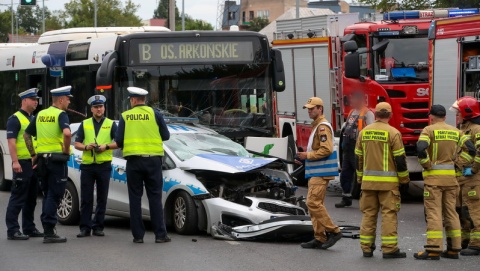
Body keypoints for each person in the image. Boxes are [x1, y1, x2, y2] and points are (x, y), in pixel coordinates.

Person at [414, 104, 475, 260]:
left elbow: (420, 149)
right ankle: (454, 248)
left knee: (434, 213)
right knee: (451, 213)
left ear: (431, 117)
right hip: (451, 179)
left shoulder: (428, 130)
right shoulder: (457, 132)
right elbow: (472, 150)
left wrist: (427, 165)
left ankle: (434, 248)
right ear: (445, 117)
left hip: (433, 179)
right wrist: (459, 163)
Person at [115, 87, 171, 243]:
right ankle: (160, 235)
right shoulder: (155, 114)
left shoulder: (125, 116)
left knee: (135, 198)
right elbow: (166, 136)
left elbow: (119, 141)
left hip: (133, 162)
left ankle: (138, 236)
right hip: (153, 161)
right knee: (155, 197)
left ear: (133, 100)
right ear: (144, 100)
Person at [355, 102, 409, 259]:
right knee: (389, 215)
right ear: (390, 115)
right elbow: (400, 160)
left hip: (368, 183)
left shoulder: (364, 133)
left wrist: (360, 177)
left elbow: (358, 158)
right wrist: (404, 179)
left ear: (376, 114)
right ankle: (389, 249)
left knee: (368, 214)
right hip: (388, 184)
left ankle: (366, 248)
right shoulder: (393, 133)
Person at [24, 86, 73, 244]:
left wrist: (33, 154)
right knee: (55, 194)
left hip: (42, 161)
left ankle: (47, 227)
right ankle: (49, 229)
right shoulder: (61, 114)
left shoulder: (40, 114)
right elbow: (67, 133)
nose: (69, 101)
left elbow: (26, 134)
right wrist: (66, 151)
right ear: (60, 100)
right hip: (56, 161)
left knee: (47, 194)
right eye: (67, 98)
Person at [297, 97, 342, 250]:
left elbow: (326, 149)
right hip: (315, 171)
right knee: (315, 204)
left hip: (320, 173)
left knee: (312, 203)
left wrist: (307, 156)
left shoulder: (322, 127)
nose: (309, 111)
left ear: (320, 109)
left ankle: (334, 231)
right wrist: (304, 159)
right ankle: (320, 237)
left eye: (312, 108)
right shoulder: (316, 125)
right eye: (308, 109)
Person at [74, 95, 118, 238]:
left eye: (101, 106)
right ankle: (85, 228)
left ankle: (98, 226)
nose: (99, 109)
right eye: (96, 107)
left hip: (104, 165)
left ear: (104, 108)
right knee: (86, 198)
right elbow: (77, 144)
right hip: (87, 166)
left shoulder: (111, 124)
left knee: (102, 197)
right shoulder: (85, 123)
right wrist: (87, 147)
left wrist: (106, 146)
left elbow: (118, 143)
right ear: (91, 109)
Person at [5, 88, 44, 240]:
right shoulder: (15, 119)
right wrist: (15, 161)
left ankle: (29, 227)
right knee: (18, 197)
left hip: (33, 162)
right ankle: (12, 230)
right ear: (25, 101)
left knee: (31, 198)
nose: (36, 102)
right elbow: (11, 142)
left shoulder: (32, 118)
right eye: (33, 99)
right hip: (21, 163)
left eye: (37, 99)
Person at [450, 97, 480, 256]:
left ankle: (477, 244)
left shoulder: (476, 130)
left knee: (474, 211)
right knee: (463, 212)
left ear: (467, 113)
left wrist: (473, 170)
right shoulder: (463, 130)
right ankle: (465, 241)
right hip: (462, 179)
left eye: (458, 113)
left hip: (473, 179)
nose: (457, 116)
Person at [336, 91, 374, 208]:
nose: (351, 102)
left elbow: (371, 130)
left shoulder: (368, 113)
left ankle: (366, 200)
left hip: (358, 148)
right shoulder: (352, 112)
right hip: (348, 149)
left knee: (360, 174)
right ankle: (346, 197)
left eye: (354, 99)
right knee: (345, 174)